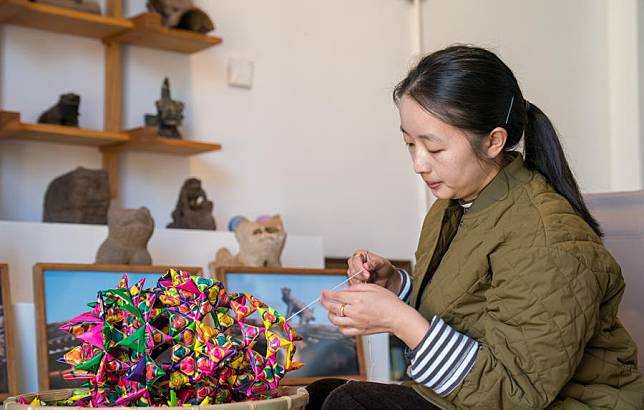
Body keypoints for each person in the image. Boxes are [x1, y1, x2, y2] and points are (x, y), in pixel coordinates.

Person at [306, 45, 644, 409]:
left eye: (434, 149)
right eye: (409, 144)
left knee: (350, 403)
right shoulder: (451, 207)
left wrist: (399, 319)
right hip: (466, 398)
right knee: (316, 394)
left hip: (542, 402)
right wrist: (398, 287)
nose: (419, 164)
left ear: (494, 141)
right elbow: (473, 310)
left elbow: (513, 393)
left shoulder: (549, 238)